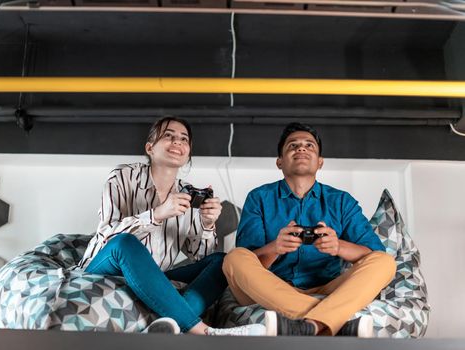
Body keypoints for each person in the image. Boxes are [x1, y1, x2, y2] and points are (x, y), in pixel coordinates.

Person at [77, 116, 266, 336]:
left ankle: (166, 324)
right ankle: (202, 330)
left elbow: (199, 255)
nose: (177, 142)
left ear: (188, 153)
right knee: (124, 242)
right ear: (150, 147)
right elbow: (108, 234)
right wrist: (157, 215)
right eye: (168, 136)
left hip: (152, 276)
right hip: (106, 265)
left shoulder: (188, 192)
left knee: (221, 261)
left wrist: (207, 223)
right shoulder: (123, 176)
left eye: (183, 139)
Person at [222, 122, 396, 337]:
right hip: (271, 288)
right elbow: (248, 262)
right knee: (235, 258)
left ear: (320, 162)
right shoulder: (258, 198)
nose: (301, 149)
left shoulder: (341, 201)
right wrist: (276, 248)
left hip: (328, 288)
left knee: (385, 262)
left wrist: (338, 246)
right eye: (292, 146)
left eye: (309, 146)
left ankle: (308, 325)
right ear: (279, 162)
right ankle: (331, 320)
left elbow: (372, 254)